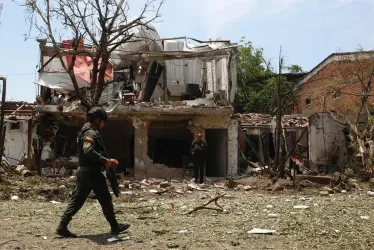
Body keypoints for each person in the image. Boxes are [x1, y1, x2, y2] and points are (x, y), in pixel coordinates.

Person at [56, 107, 130, 238]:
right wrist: (105, 161)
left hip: (84, 172)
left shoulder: (85, 131)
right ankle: (114, 226)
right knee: (105, 199)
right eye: (102, 121)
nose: (103, 124)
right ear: (97, 120)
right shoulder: (90, 132)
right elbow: (88, 151)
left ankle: (62, 225)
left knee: (77, 200)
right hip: (92, 173)